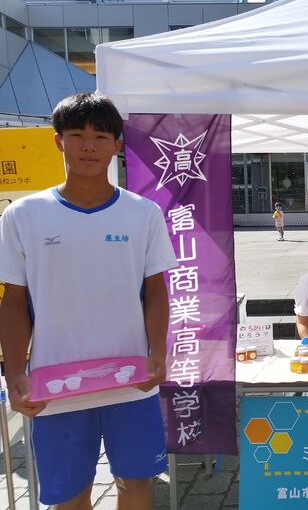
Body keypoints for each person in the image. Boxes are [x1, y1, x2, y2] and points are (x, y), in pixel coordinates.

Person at [0, 93, 177, 510]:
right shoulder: (24, 215)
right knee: (70, 495)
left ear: (117, 145)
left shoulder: (143, 213)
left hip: (130, 379)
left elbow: (156, 290)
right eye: (77, 135)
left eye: (100, 136)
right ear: (58, 141)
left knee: (136, 483)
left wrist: (158, 353)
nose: (88, 146)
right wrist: (14, 375)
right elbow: (13, 302)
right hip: (55, 383)